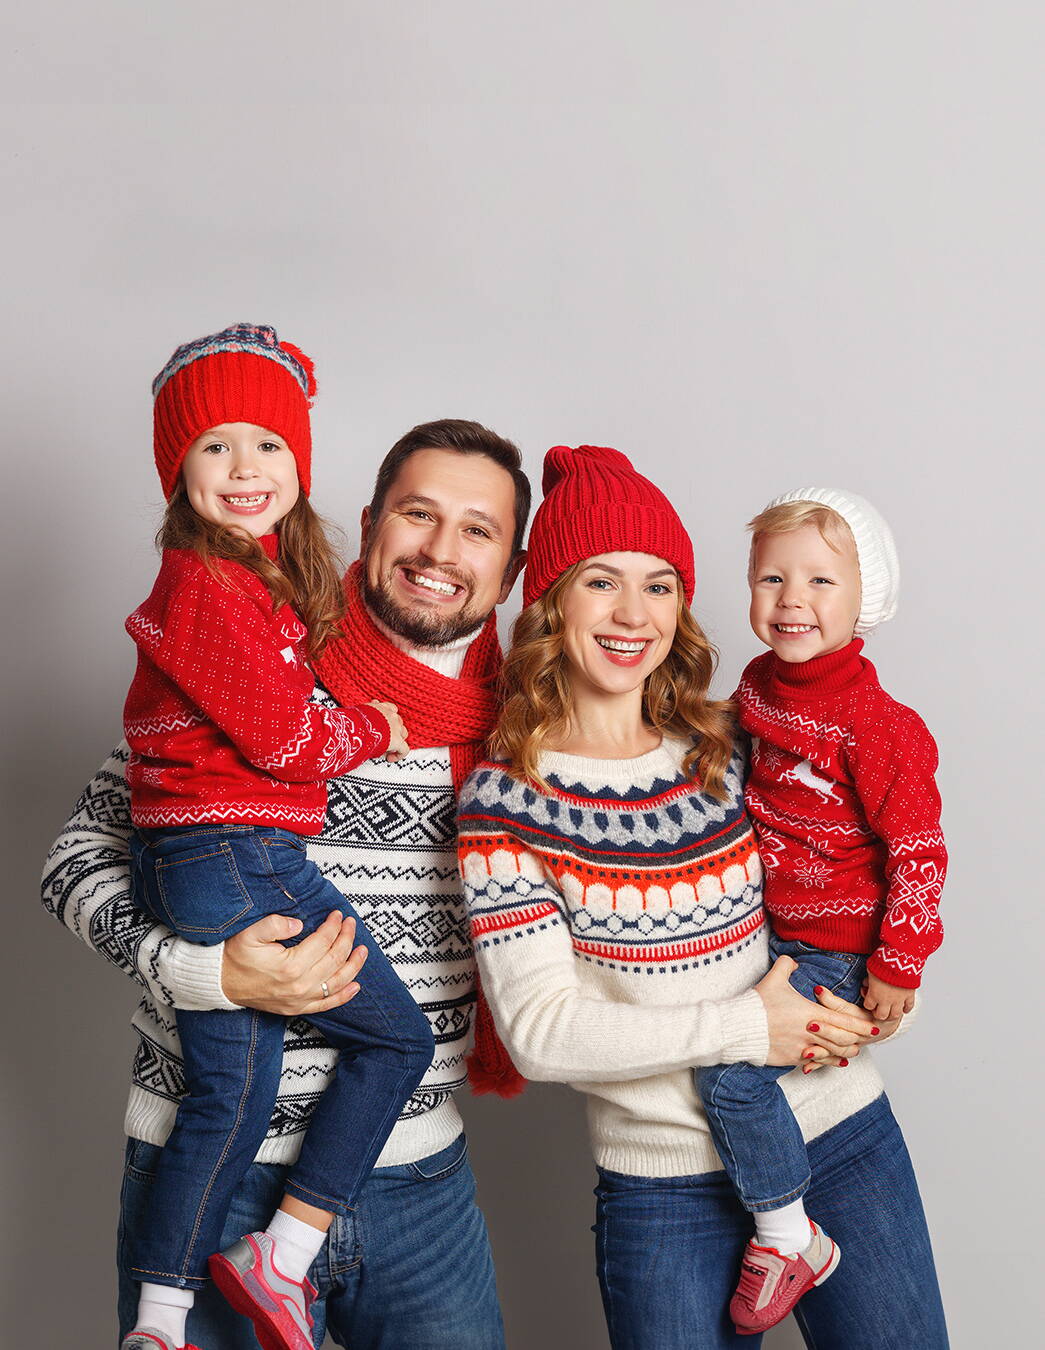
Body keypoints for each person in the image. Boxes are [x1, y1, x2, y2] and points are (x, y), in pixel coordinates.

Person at [41, 416, 529, 1349]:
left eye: (478, 530)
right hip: (209, 1173)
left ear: (507, 572)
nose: (439, 549)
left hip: (415, 1182)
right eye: (417, 513)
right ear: (371, 520)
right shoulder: (257, 658)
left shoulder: (520, 732)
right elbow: (72, 861)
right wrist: (199, 974)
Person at [457, 445, 948, 1349]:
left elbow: (854, 876)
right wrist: (745, 1031)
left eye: (658, 585)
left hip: (838, 1133)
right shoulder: (504, 802)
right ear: (552, 598)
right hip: (664, 1190)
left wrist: (875, 1005)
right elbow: (539, 1034)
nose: (631, 615)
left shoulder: (725, 744)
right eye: (601, 581)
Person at [116, 323, 437, 1350]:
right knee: (395, 1040)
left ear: (299, 461)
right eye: (215, 446)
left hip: (210, 854)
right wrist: (368, 729)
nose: (246, 467)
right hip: (236, 852)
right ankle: (281, 1257)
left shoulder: (249, 586)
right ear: (178, 470)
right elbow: (290, 735)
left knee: (231, 1097)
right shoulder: (208, 585)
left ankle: (161, 1320)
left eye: (268, 444)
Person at [694, 487, 946, 1334]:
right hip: (774, 936)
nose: (791, 599)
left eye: (819, 582)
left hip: (837, 942)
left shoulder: (877, 726)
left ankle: (787, 1236)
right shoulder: (759, 687)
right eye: (770, 578)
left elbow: (917, 853)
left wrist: (896, 965)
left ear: (862, 600)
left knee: (728, 1078)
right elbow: (735, 746)